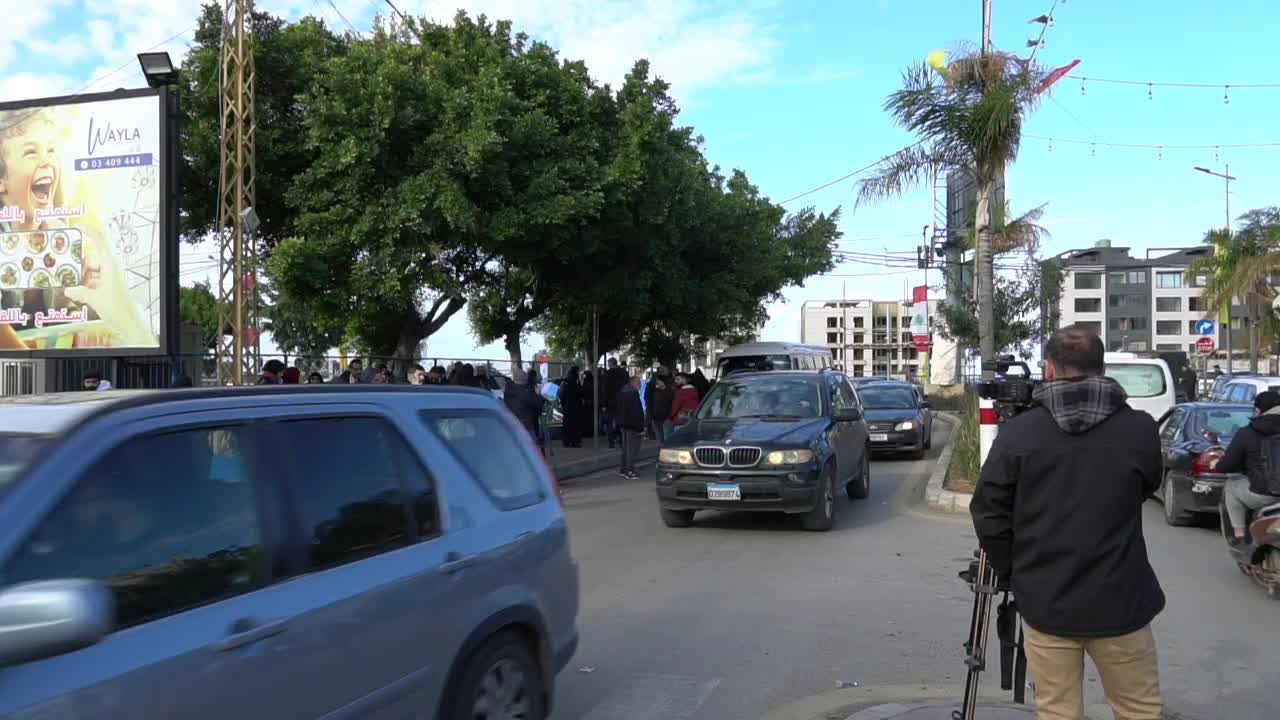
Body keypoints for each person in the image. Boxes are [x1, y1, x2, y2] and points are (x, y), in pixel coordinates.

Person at [970, 324, 1164, 720]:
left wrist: (1013, 571)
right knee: (1138, 709)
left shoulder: (1020, 432)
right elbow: (1147, 485)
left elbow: (988, 511)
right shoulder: (1140, 428)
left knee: (1058, 711)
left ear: (1050, 369)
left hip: (1047, 601)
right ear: (1102, 367)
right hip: (1122, 601)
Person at [1210, 390, 1280, 545]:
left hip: (1266, 494)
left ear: (1258, 410)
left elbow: (1227, 465)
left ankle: (1240, 537)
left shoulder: (1248, 432)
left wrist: (1216, 465)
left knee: (1231, 486)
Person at [504, 368, 545, 446]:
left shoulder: (508, 391)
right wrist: (538, 394)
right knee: (531, 449)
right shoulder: (526, 393)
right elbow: (539, 405)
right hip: (526, 425)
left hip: (513, 424)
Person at [616, 375, 645, 479]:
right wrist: (640, 427)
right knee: (632, 450)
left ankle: (623, 469)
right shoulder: (633, 394)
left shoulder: (623, 392)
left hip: (624, 424)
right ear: (633, 383)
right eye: (638, 383)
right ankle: (630, 470)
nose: (640, 385)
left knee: (625, 449)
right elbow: (636, 412)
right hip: (632, 425)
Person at [603, 358, 630, 448]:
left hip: (611, 401)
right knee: (621, 420)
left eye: (608, 363)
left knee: (609, 422)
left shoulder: (608, 374)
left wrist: (604, 402)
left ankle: (611, 442)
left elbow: (605, 389)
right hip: (623, 400)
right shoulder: (624, 373)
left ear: (611, 363)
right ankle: (621, 440)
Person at [646, 369, 675, 444]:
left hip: (663, 416)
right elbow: (648, 401)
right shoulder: (652, 386)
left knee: (665, 438)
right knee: (663, 438)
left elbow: (672, 398)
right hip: (659, 415)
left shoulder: (669, 385)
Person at [559, 366, 583, 448]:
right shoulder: (576, 381)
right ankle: (574, 441)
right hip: (576, 405)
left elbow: (561, 395)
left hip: (567, 405)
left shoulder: (565, 382)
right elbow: (580, 392)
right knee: (575, 424)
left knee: (567, 423)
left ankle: (566, 441)